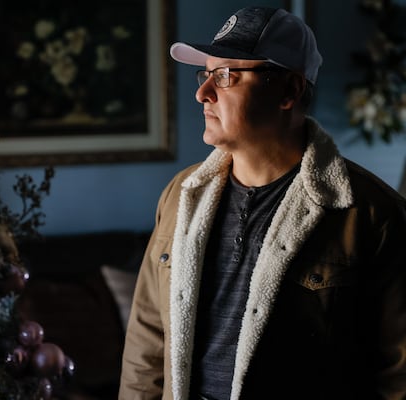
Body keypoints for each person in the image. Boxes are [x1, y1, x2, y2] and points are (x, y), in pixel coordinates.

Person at [119, 6, 406, 400]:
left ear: (289, 90)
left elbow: (397, 373)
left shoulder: (371, 213)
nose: (201, 93)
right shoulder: (181, 194)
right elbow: (147, 344)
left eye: (225, 76)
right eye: (206, 74)